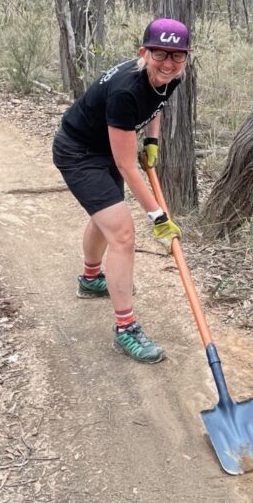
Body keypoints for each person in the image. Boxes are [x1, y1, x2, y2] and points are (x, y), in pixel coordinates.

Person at [51, 18, 189, 363]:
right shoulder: (127, 90)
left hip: (105, 146)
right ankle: (126, 328)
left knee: (105, 218)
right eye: (160, 54)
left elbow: (158, 102)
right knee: (124, 234)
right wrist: (158, 216)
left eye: (178, 56)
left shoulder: (172, 75)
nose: (168, 64)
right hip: (79, 152)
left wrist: (153, 140)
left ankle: (91, 277)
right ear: (144, 53)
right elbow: (127, 166)